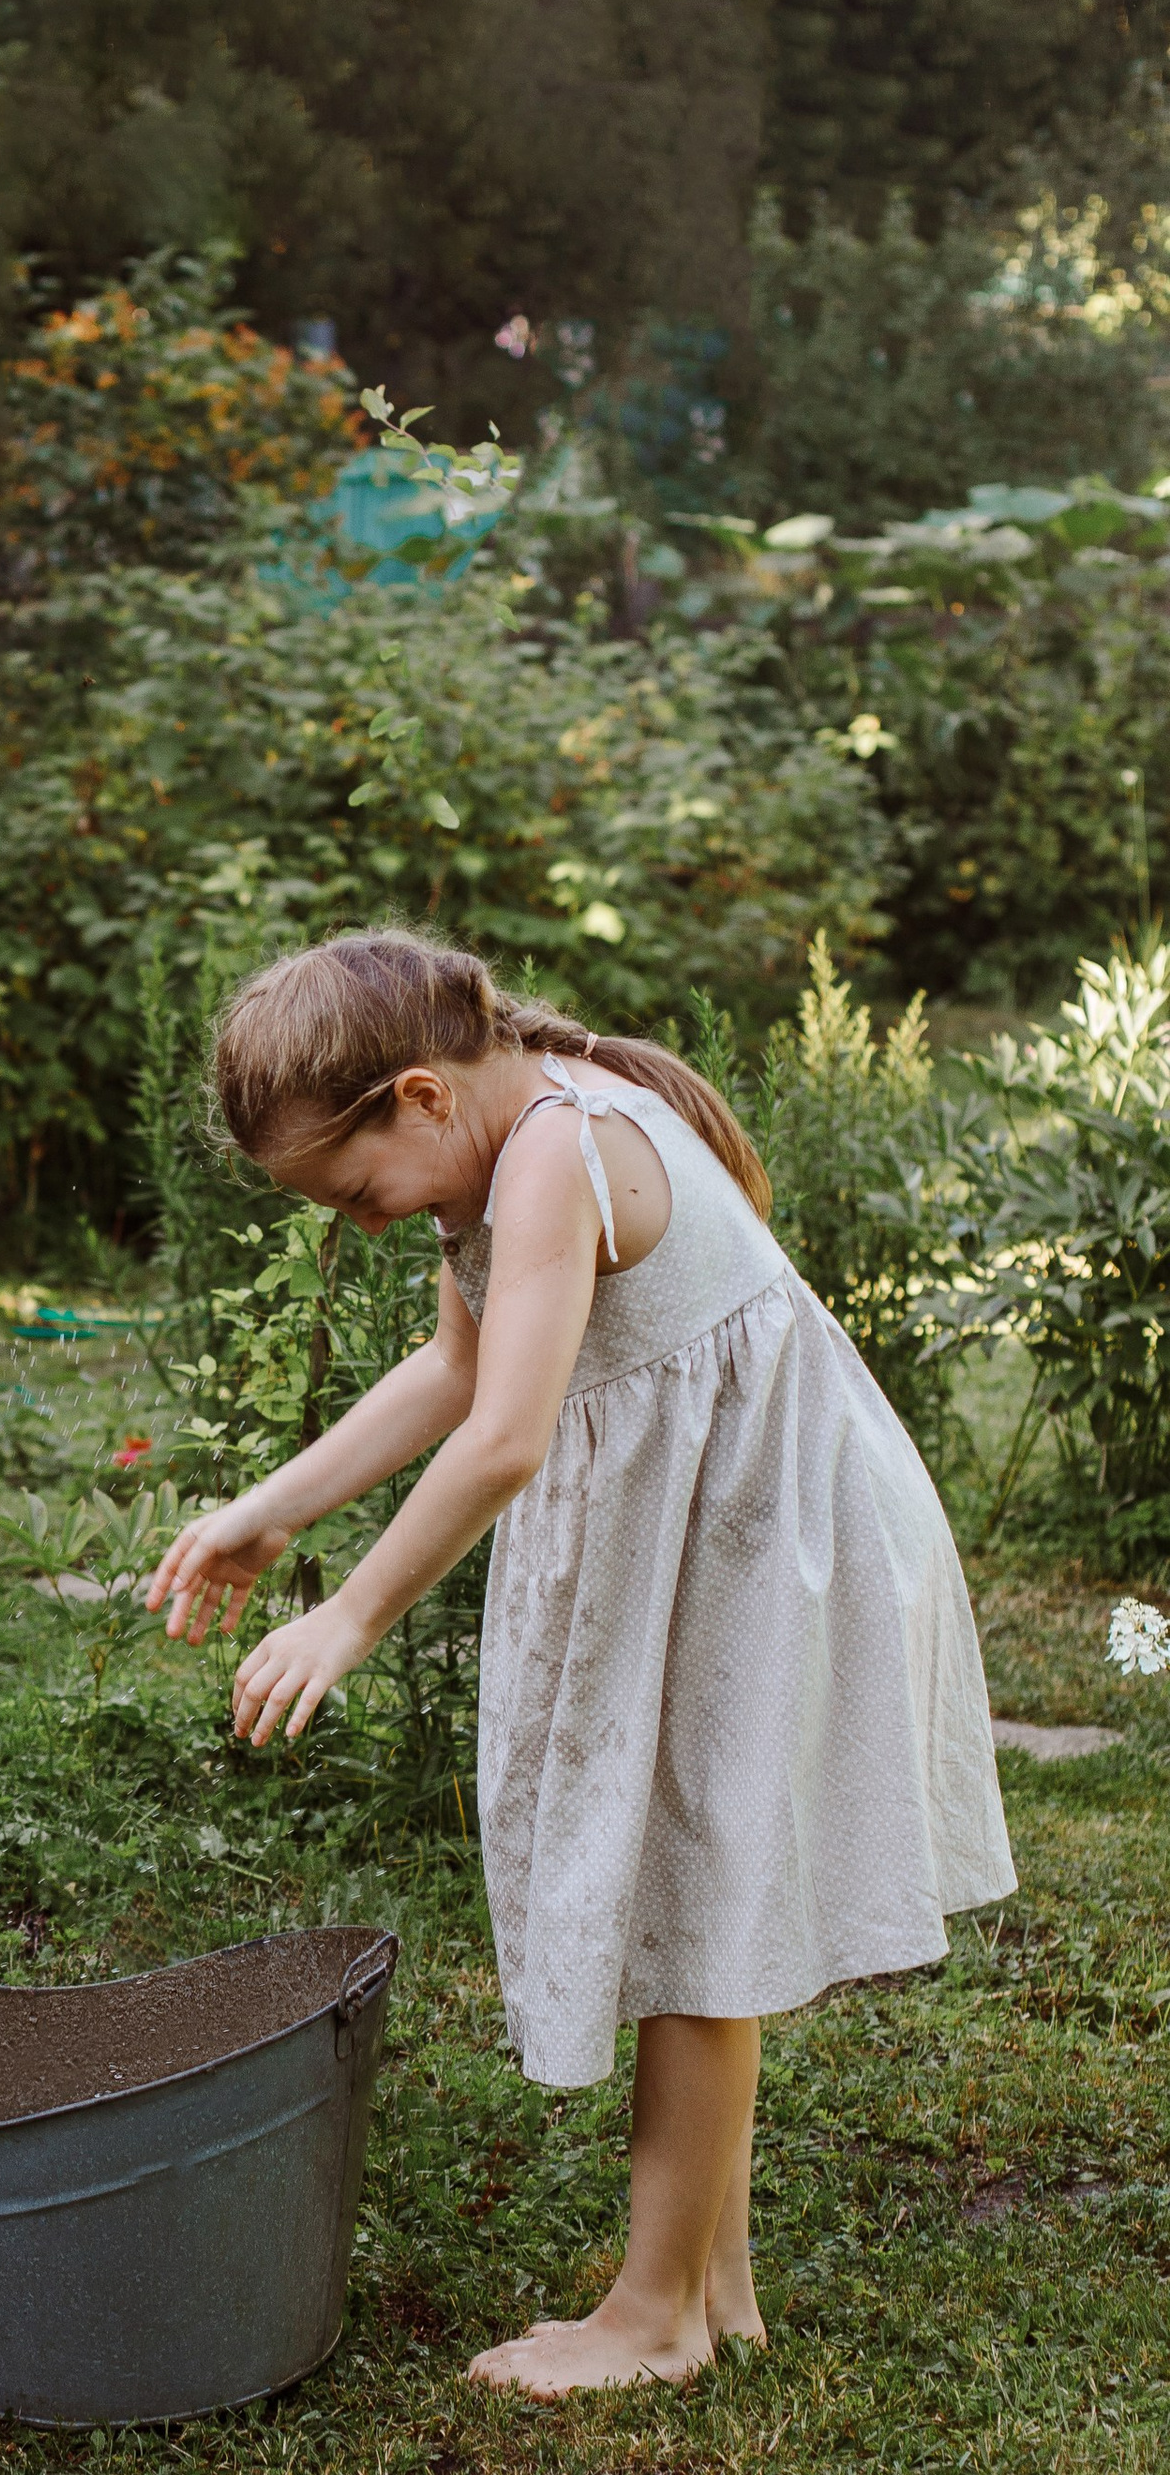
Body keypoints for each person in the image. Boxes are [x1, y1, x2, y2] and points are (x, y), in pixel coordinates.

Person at [145, 927, 1012, 2397]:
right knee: (695, 1885)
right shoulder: (499, 1140)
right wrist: (265, 1511)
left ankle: (654, 2313)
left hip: (769, 1533)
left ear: (420, 1095)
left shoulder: (554, 1145)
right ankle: (710, 2280)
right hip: (729, 1523)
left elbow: (505, 1439)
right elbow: (459, 1367)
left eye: (352, 1193)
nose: (360, 1222)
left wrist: (347, 1613)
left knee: (693, 1897)